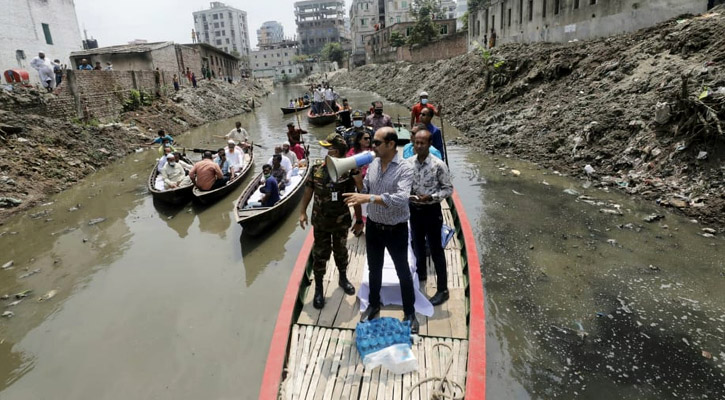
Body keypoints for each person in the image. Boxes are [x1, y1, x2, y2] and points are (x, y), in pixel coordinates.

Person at [343, 127, 419, 333]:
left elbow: (400, 199)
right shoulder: (374, 164)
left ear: (391, 144)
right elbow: (366, 190)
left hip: (396, 229)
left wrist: (368, 198)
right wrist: (359, 181)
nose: (372, 146)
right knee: (374, 269)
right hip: (374, 226)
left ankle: (410, 313)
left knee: (403, 270)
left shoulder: (405, 168)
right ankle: (374, 305)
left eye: (376, 143)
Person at [299, 133, 363, 309]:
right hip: (320, 221)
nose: (326, 151)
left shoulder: (349, 170)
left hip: (341, 221)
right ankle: (319, 288)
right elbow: (308, 191)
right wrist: (303, 211)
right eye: (325, 148)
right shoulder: (317, 168)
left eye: (330, 148)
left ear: (338, 151)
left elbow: (356, 196)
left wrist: (359, 219)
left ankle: (343, 278)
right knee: (320, 254)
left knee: (341, 251)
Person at [408, 129, 453, 305]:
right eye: (416, 142)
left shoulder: (438, 165)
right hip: (414, 210)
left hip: (432, 211)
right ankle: (421, 275)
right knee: (417, 245)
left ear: (429, 144)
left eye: (422, 143)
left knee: (436, 250)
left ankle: (443, 289)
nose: (418, 146)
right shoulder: (408, 163)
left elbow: (448, 189)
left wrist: (432, 197)